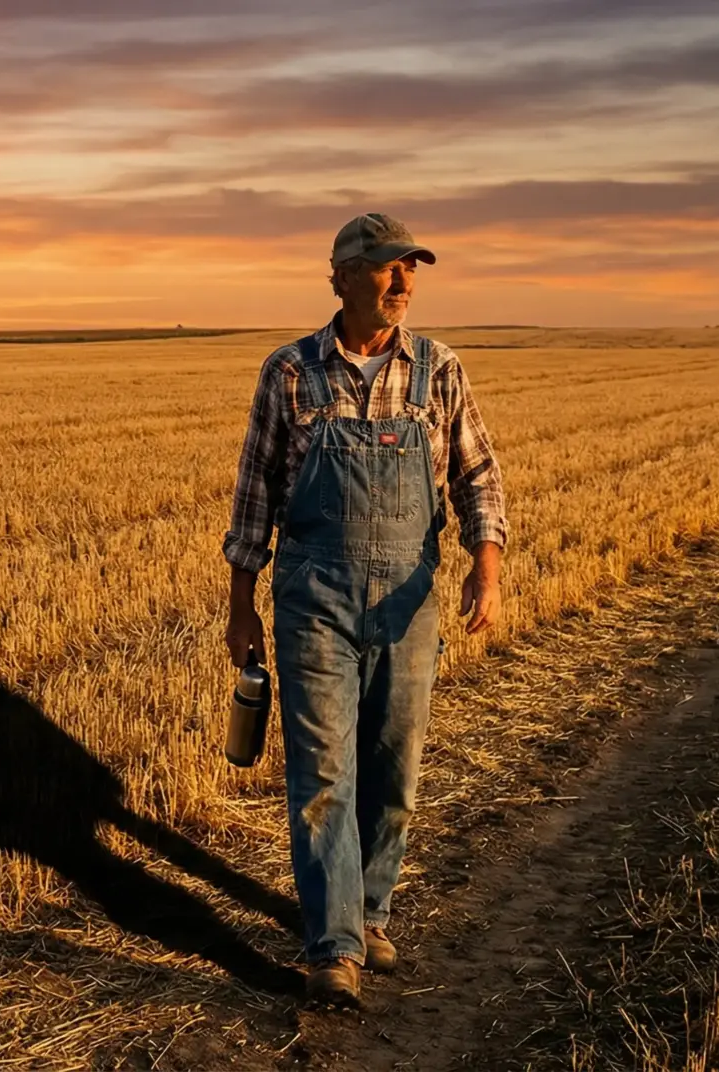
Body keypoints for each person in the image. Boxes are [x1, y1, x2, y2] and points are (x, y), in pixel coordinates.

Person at [222, 212, 509, 1006]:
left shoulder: (438, 371)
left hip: (410, 601)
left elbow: (477, 478)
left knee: (395, 768)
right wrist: (240, 604)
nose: (402, 281)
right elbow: (254, 500)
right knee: (322, 772)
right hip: (313, 596)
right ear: (341, 276)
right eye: (386, 268)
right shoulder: (289, 373)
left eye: (410, 268)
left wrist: (485, 569)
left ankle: (371, 912)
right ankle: (333, 945)